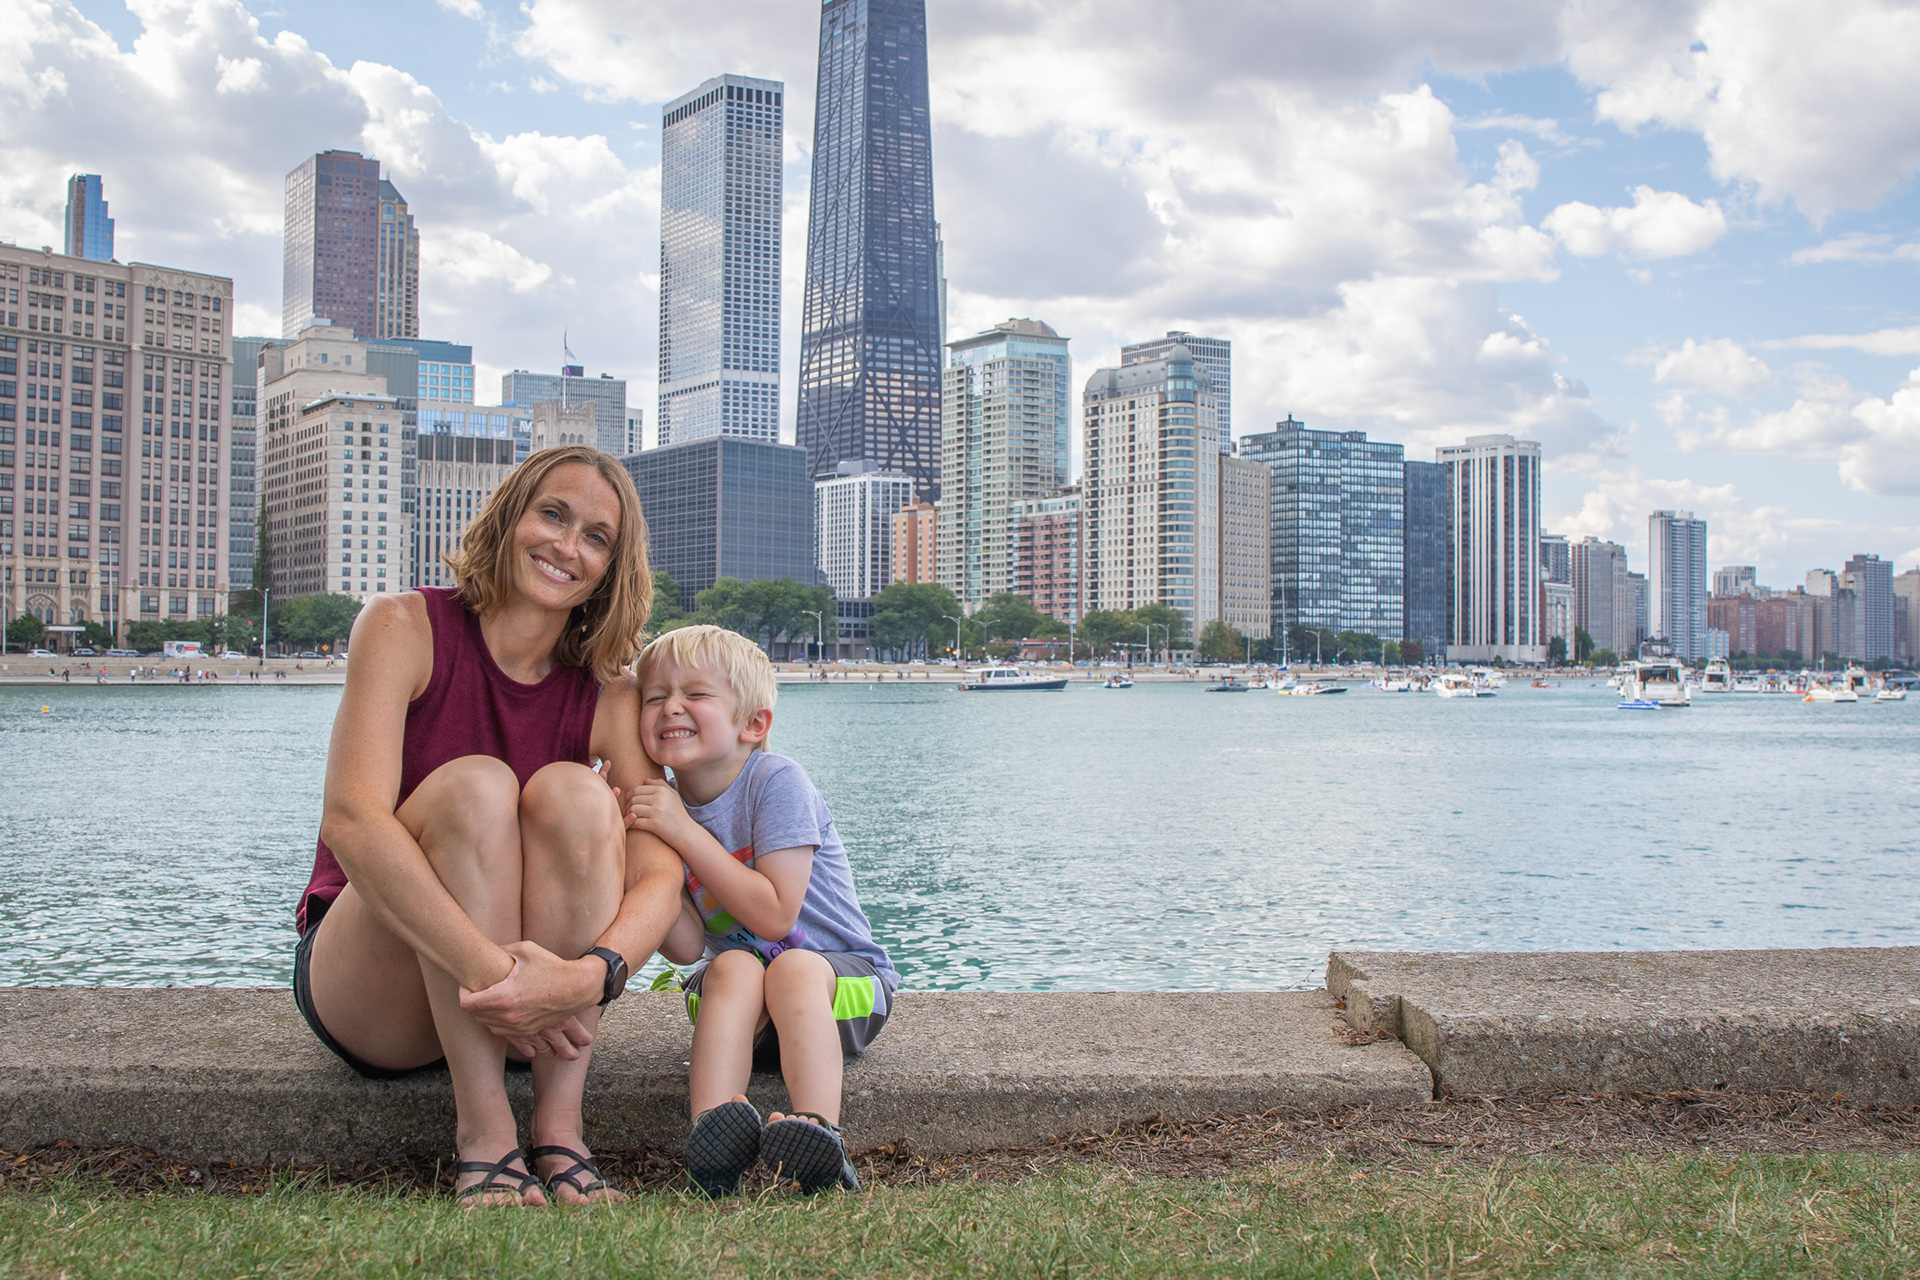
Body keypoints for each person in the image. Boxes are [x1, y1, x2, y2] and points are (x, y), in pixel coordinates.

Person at [294, 444, 684, 1208]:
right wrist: (499, 976)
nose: (568, 547)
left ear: (614, 566)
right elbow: (351, 819)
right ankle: (485, 1135)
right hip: (378, 990)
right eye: (553, 514)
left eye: (597, 537)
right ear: (510, 518)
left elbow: (661, 871)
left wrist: (588, 975)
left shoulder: (609, 690)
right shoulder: (403, 624)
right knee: (477, 788)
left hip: (536, 1017)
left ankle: (561, 1130)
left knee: (578, 796)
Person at [625, 625, 896, 1198]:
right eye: (654, 696)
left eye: (695, 694)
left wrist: (682, 832)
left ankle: (822, 1136)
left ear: (753, 724)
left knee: (791, 968)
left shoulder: (775, 781)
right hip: (744, 1014)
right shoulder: (663, 803)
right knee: (730, 967)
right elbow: (684, 946)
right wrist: (640, 851)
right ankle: (712, 1143)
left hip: (841, 994)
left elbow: (775, 917)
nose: (671, 706)